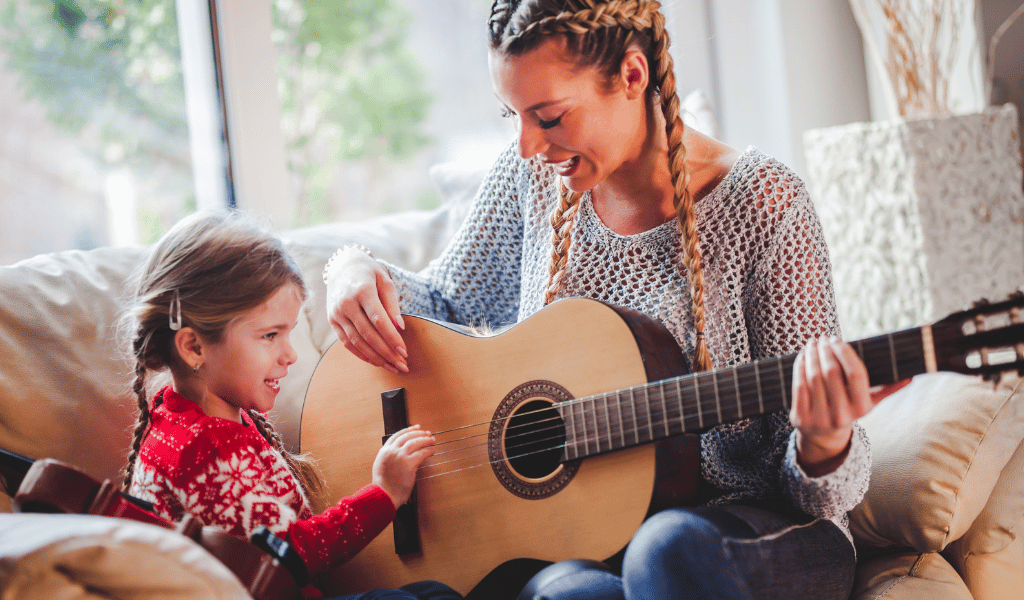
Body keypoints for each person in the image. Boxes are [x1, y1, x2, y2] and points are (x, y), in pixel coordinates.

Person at [323, 1, 891, 599]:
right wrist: (352, 267)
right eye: (510, 115)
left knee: (668, 550)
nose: (525, 146)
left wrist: (825, 442)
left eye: (548, 116)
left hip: (756, 531)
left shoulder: (762, 203)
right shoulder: (534, 181)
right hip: (591, 537)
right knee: (565, 594)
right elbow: (445, 303)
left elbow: (821, 492)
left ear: (632, 75)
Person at [121, 212, 461, 600]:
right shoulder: (202, 449)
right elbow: (292, 555)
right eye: (270, 335)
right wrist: (385, 493)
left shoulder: (190, 417)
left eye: (289, 332)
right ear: (194, 346)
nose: (290, 355)